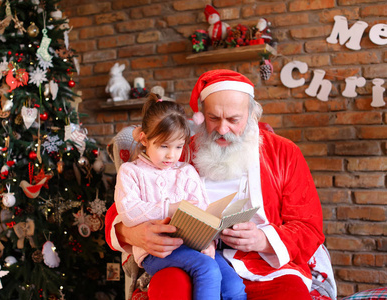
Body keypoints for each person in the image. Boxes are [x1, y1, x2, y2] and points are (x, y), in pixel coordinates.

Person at [106, 70, 336, 300]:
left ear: (251, 114)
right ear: (201, 116)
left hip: (266, 267)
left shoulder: (284, 153)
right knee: (167, 288)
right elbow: (121, 209)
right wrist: (134, 234)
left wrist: (263, 239)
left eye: (234, 120)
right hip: (190, 258)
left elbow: (309, 226)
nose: (223, 129)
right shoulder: (177, 150)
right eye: (213, 118)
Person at [114, 92, 247, 300]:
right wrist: (171, 208)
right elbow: (129, 212)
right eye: (163, 146)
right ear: (144, 139)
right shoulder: (131, 172)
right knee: (207, 270)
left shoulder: (185, 172)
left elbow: (202, 210)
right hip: (155, 251)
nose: (171, 155)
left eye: (178, 147)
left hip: (193, 244)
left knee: (234, 287)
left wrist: (209, 241)